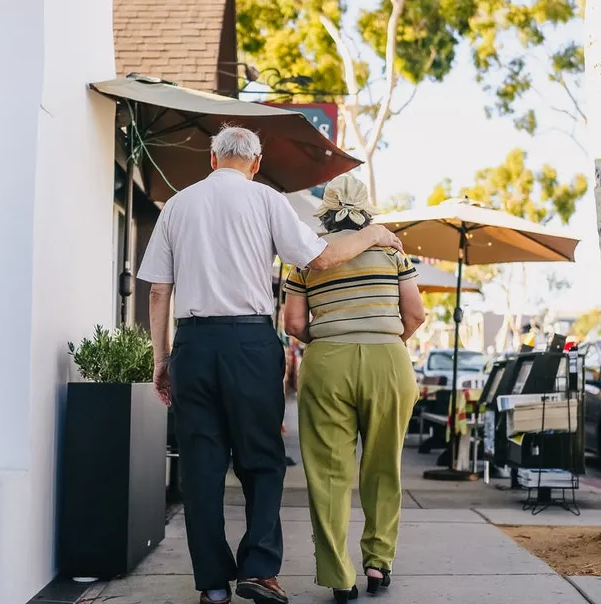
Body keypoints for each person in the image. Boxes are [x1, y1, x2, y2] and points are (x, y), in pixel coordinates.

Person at [138, 125, 404, 604]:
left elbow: (158, 289)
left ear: (212, 158)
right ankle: (259, 570)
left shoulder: (177, 205)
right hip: (249, 342)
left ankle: (214, 587)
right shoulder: (267, 200)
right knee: (262, 461)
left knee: (201, 468)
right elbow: (320, 261)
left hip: (193, 345)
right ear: (256, 163)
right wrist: (375, 234)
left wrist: (162, 359)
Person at [281, 175, 426, 604]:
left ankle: (339, 576)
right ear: (367, 212)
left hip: (327, 362)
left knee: (328, 473)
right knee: (384, 466)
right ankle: (379, 563)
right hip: (389, 361)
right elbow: (415, 314)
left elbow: (292, 323)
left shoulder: (308, 259)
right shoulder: (392, 253)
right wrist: (381, 340)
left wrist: (331, 339)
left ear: (325, 211)